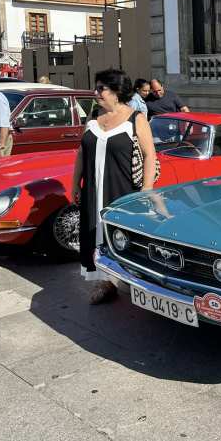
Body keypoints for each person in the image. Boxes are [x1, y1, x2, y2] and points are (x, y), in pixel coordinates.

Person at [72, 69, 157, 303]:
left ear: (117, 91)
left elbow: (150, 155)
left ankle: (133, 281)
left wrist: (147, 189)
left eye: (101, 88)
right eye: (96, 87)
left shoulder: (136, 118)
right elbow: (81, 153)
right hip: (92, 189)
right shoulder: (93, 117)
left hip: (122, 190)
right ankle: (103, 282)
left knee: (123, 236)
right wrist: (75, 184)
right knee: (94, 232)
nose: (96, 92)